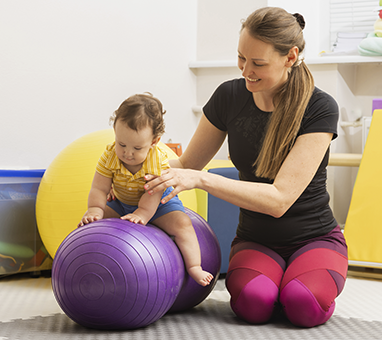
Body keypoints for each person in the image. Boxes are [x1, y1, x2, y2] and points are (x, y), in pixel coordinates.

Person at [144, 7, 348, 328]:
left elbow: (279, 200)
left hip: (315, 238)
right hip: (256, 239)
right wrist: (134, 172)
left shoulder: (319, 107)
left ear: (290, 57)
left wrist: (202, 181)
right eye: (241, 58)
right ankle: (279, 284)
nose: (245, 71)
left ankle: (296, 284)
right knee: (254, 304)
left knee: (302, 303)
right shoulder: (229, 96)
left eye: (258, 63)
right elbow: (185, 164)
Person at [78, 93, 214, 287]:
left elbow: (153, 191)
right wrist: (95, 209)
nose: (127, 153)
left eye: (136, 148)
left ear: (154, 142)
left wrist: (142, 213)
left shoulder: (157, 160)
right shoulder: (109, 156)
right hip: (121, 203)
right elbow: (99, 188)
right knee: (92, 223)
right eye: (121, 144)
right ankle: (91, 267)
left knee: (183, 224)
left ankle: (194, 266)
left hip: (157, 203)